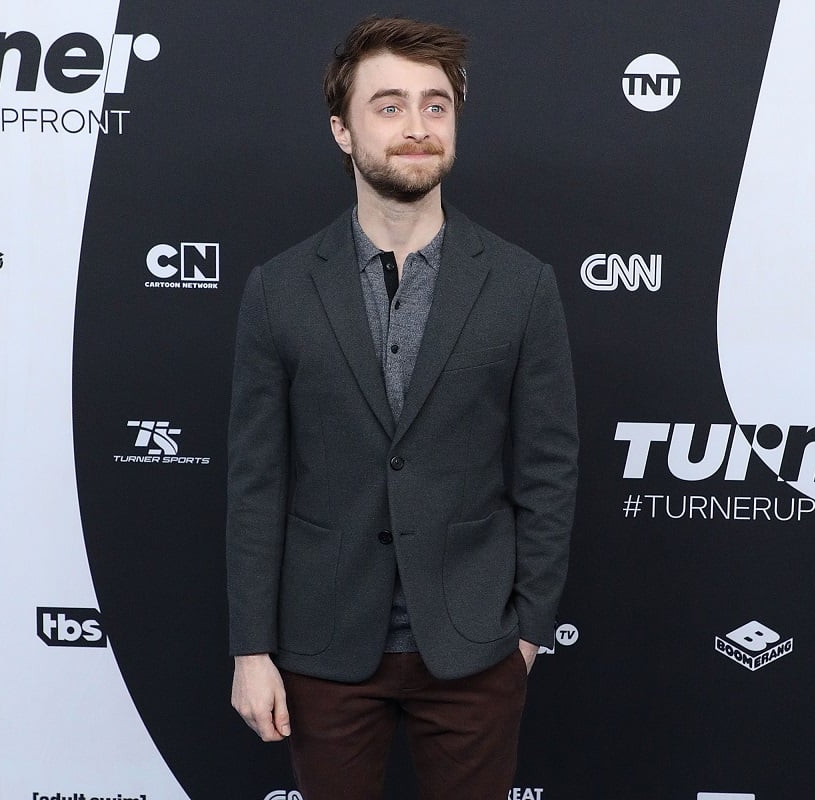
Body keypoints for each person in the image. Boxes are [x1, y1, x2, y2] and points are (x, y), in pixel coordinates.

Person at [227, 15, 578, 800]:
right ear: (342, 132)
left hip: (474, 646)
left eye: (435, 105)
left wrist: (527, 633)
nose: (417, 127)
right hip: (324, 646)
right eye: (388, 107)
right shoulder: (278, 290)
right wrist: (252, 650)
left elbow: (548, 472)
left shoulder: (523, 286)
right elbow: (256, 486)